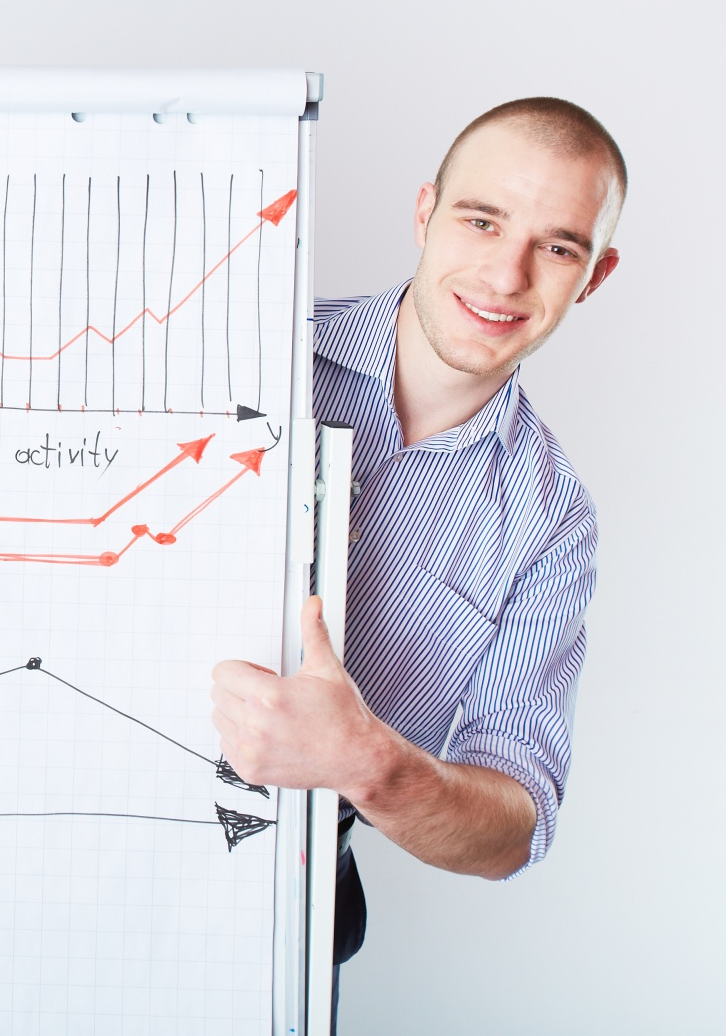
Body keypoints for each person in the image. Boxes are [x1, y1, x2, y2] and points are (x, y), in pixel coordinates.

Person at [210, 97, 625, 989]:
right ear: (425, 212)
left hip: (285, 920)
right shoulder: (241, 352)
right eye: (483, 220)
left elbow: (516, 824)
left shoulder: (552, 522)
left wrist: (368, 761)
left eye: (558, 246)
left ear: (595, 274)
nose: (507, 274)